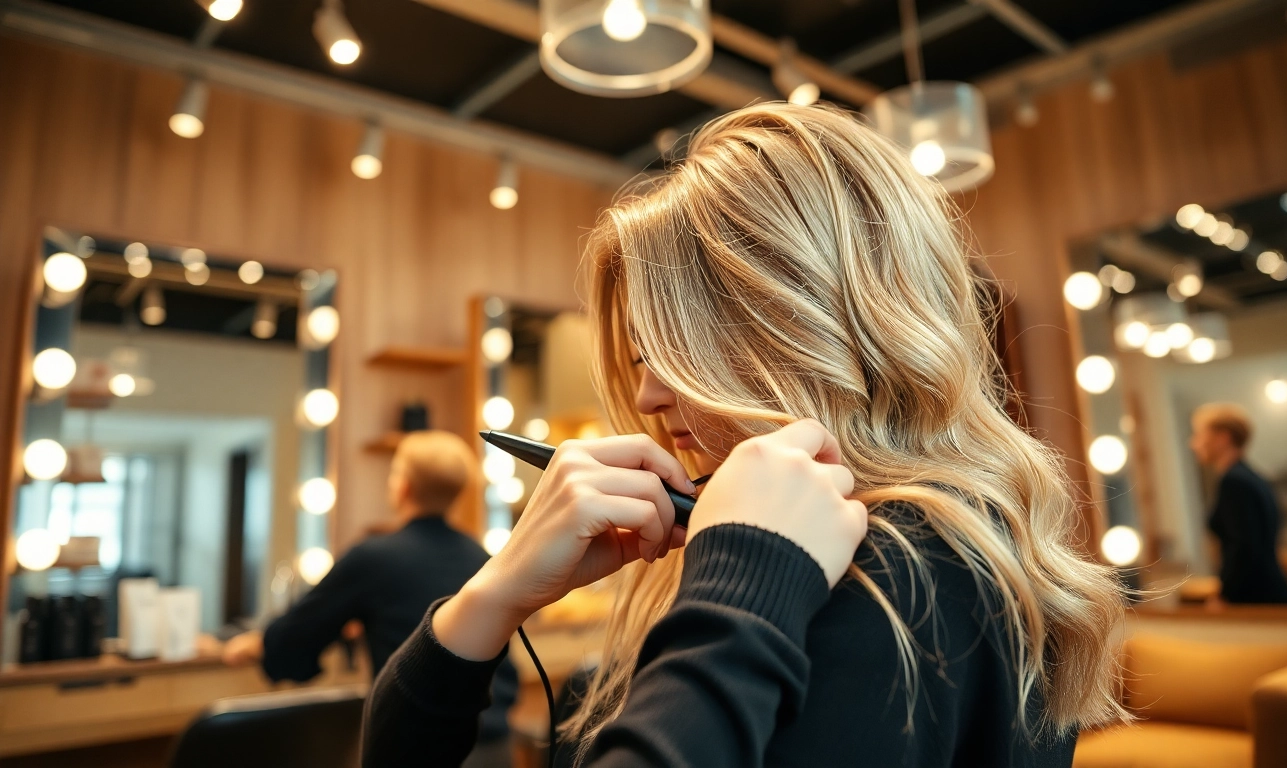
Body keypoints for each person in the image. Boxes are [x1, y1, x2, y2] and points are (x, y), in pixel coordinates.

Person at [364, 103, 1128, 767]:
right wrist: (493, 596)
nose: (645, 394)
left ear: (804, 330)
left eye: (676, 351)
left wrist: (743, 585)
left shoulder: (892, 578)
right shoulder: (939, 552)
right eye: (640, 359)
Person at [222, 430, 516, 765]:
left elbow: (297, 636)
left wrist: (259, 643)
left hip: (422, 750)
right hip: (498, 746)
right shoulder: (482, 558)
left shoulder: (374, 558)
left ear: (403, 487)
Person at [1189, 403, 1287, 604]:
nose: (1193, 444)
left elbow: (1243, 548)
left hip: (1256, 597)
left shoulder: (1234, 482)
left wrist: (1226, 594)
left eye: (1200, 435)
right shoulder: (1251, 477)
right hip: (1268, 589)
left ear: (1223, 437)